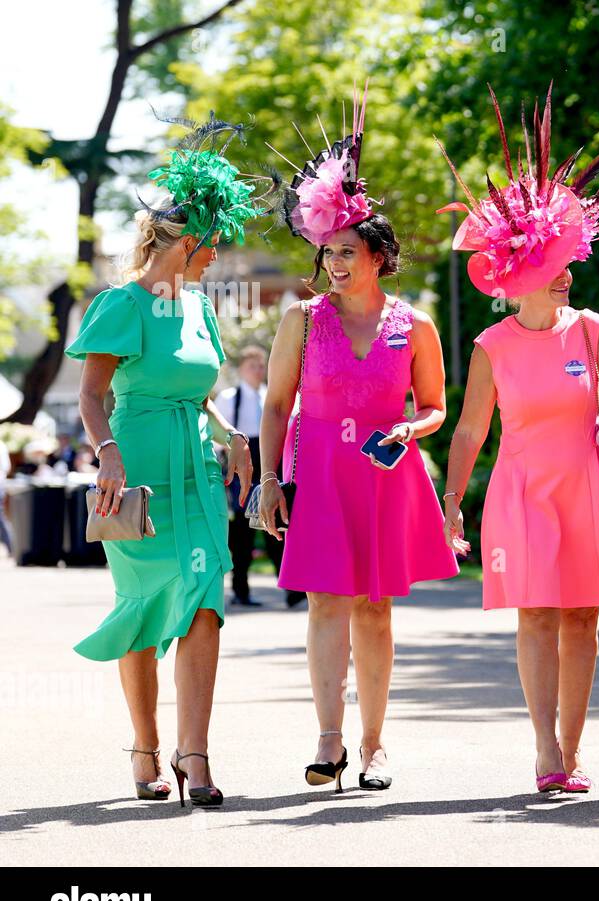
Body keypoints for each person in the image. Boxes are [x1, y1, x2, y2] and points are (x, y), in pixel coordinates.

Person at [440, 86, 599, 793]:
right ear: (522, 274)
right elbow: (471, 429)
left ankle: (571, 751)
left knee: (583, 620)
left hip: (588, 489)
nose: (569, 271)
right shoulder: (492, 344)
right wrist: (452, 502)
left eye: (570, 260)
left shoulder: (590, 328)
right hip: (522, 491)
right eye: (555, 263)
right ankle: (545, 748)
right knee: (537, 616)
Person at [260, 88, 459, 792]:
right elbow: (277, 404)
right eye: (328, 252)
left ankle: (375, 746)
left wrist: (412, 426)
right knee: (323, 601)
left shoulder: (418, 324)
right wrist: (264, 480)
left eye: (347, 251)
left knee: (376, 607)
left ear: (377, 254)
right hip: (317, 472)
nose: (336, 263)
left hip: (385, 474)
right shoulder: (300, 320)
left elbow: (436, 407)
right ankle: (329, 737)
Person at [64, 116, 263, 806]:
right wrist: (108, 453)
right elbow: (92, 396)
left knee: (205, 601)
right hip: (135, 479)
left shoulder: (203, 307)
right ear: (187, 239)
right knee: (145, 611)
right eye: (214, 244)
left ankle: (195, 754)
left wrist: (229, 433)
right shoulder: (121, 306)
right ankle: (145, 748)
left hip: (199, 474)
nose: (219, 256)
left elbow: (198, 391)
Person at [214, 345, 303, 607]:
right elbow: (219, 436)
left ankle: (291, 589)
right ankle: (240, 589)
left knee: (275, 523)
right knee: (242, 531)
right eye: (252, 365)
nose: (258, 370)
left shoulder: (270, 396)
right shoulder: (229, 397)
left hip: (268, 464)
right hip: (241, 467)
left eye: (261, 365)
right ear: (242, 369)